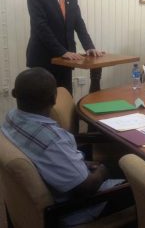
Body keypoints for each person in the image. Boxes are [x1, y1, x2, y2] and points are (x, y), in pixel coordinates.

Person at [1, 67, 132, 226]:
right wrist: (106, 169)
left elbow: (47, 159)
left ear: (14, 94)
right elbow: (87, 188)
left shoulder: (11, 117)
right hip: (71, 209)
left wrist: (80, 163)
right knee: (139, 183)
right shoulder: (52, 141)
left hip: (39, 192)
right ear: (53, 99)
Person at [26, 0, 104, 95]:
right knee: (45, 104)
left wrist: (89, 47)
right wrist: (62, 51)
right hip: (43, 60)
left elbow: (78, 22)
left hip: (66, 62)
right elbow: (40, 27)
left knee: (65, 101)